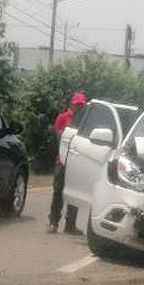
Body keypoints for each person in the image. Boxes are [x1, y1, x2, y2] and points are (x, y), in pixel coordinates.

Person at [48, 91, 87, 234]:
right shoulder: (63, 117)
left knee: (74, 194)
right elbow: (59, 137)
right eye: (77, 104)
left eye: (81, 105)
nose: (79, 107)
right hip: (63, 160)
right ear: (72, 104)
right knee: (58, 192)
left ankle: (70, 225)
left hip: (77, 162)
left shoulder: (84, 121)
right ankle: (53, 222)